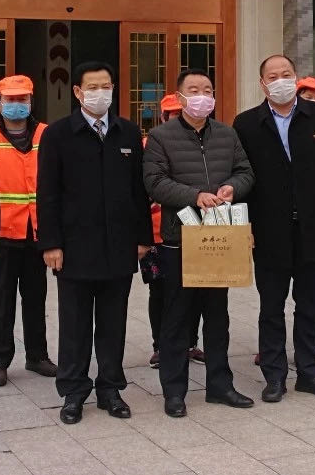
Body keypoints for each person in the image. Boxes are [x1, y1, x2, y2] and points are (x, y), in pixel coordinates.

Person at [37, 61, 150, 425]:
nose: (101, 93)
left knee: (113, 323)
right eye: (93, 87)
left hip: (118, 244)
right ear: (77, 92)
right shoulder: (58, 135)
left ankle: (110, 389)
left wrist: (143, 238)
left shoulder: (127, 132)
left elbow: (138, 191)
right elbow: (47, 194)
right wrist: (51, 243)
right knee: (75, 324)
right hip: (74, 247)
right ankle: (73, 392)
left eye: (106, 86)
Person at [234, 55, 315, 403]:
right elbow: (241, 178)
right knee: (271, 306)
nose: (280, 80)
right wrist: (244, 224)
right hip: (269, 230)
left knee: (310, 304)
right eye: (273, 76)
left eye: (286, 74)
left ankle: (310, 372)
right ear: (262, 84)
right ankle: (274, 375)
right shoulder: (247, 124)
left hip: (314, 227)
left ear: (296, 78)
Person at [144, 69, 256, 418]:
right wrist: (195, 196)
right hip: (180, 239)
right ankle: (174, 391)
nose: (202, 96)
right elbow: (154, 182)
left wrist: (233, 188)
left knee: (217, 316)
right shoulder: (161, 136)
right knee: (176, 318)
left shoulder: (227, 133)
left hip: (220, 236)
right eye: (193, 90)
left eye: (207, 90)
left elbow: (246, 171)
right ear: (179, 97)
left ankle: (220, 385)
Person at [0, 75, 57, 387]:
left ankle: (37, 355)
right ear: (0, 102)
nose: (16, 104)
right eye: (10, 99)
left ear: (31, 101)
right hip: (2, 231)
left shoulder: (47, 134)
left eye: (22, 99)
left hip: (37, 231)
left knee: (36, 296)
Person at [145, 94, 204, 370]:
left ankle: (190, 343)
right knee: (159, 292)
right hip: (157, 234)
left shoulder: (202, 144)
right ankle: (160, 345)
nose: (176, 117)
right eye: (171, 114)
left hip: (194, 230)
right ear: (163, 117)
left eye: (179, 112)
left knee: (195, 289)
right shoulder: (150, 145)